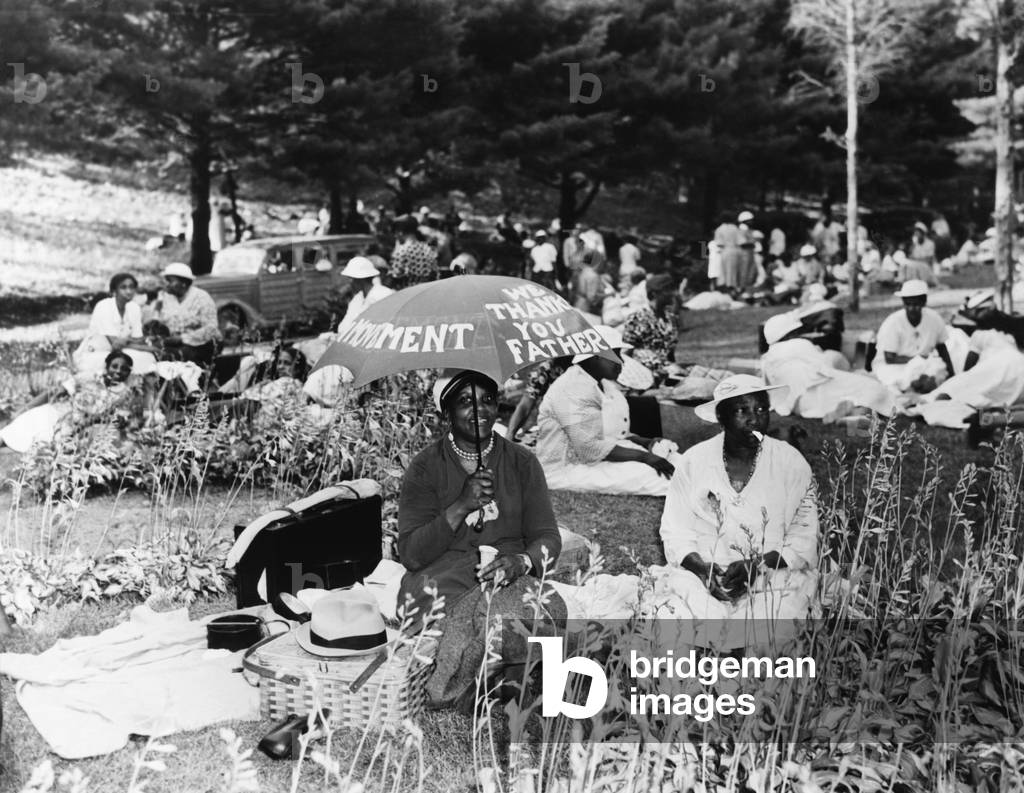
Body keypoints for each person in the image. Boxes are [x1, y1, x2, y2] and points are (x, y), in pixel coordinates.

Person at [397, 370, 564, 708]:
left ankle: (496, 673)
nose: (480, 410)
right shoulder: (425, 466)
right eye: (465, 402)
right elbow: (411, 554)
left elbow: (547, 536)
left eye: (488, 399)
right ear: (446, 413)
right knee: (490, 629)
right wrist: (461, 505)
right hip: (442, 583)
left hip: (508, 580)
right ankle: (494, 675)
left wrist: (522, 561)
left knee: (549, 609)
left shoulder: (522, 462)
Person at [658, 375, 819, 641]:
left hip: (772, 573)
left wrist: (757, 565)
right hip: (706, 574)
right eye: (742, 410)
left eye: (761, 409)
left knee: (766, 629)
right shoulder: (694, 461)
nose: (754, 419)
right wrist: (702, 569)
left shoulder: (791, 462)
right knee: (680, 622)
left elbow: (804, 538)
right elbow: (675, 531)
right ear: (721, 417)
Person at [534, 325, 678, 496]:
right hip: (566, 469)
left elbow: (612, 433)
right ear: (594, 357)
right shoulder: (572, 387)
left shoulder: (603, 384)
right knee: (656, 476)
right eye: (615, 355)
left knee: (678, 461)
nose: (621, 361)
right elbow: (589, 449)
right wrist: (644, 457)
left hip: (599, 457)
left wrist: (646, 443)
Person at [0, 351, 146, 454]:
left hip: (78, 427)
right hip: (56, 412)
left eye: (124, 369)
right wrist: (26, 408)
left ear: (129, 372)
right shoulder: (88, 377)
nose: (118, 371)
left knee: (41, 444)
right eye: (114, 366)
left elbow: (117, 418)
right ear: (106, 366)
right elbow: (55, 392)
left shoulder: (124, 394)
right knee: (16, 429)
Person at [761, 313, 895, 420]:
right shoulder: (798, 344)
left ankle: (852, 411)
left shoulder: (766, 359)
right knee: (874, 389)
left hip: (794, 406)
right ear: (789, 333)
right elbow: (826, 367)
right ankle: (855, 409)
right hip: (816, 393)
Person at [872, 279, 954, 393]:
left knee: (937, 370)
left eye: (915, 305)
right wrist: (917, 360)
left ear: (923, 302)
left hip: (923, 365)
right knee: (896, 382)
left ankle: (921, 385)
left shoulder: (934, 319)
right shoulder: (893, 322)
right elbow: (889, 358)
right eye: (908, 304)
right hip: (895, 366)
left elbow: (942, 348)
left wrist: (952, 375)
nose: (911, 309)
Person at [74, 273, 159, 376]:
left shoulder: (134, 308)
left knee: (147, 358)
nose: (128, 291)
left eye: (131, 287)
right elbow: (115, 344)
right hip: (96, 352)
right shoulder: (103, 306)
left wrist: (148, 345)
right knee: (130, 361)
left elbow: (138, 339)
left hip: (120, 351)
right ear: (114, 291)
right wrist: (150, 348)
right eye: (123, 287)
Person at [146, 263, 221, 367]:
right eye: (166, 280)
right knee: (152, 352)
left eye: (170, 281)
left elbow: (211, 327)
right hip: (173, 343)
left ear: (184, 283)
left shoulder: (201, 297)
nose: (166, 284)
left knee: (172, 357)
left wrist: (182, 338)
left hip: (201, 344)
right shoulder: (166, 297)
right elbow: (158, 321)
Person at [336, 256, 394, 336]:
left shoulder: (383, 295)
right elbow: (343, 327)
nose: (349, 282)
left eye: (351, 278)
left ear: (359, 279)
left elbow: (386, 326)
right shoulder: (357, 300)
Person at [390, 219, 438, 289]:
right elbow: (435, 272)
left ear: (400, 232)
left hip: (409, 292)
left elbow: (395, 276)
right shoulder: (427, 248)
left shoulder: (402, 251)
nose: (395, 236)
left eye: (395, 233)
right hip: (427, 290)